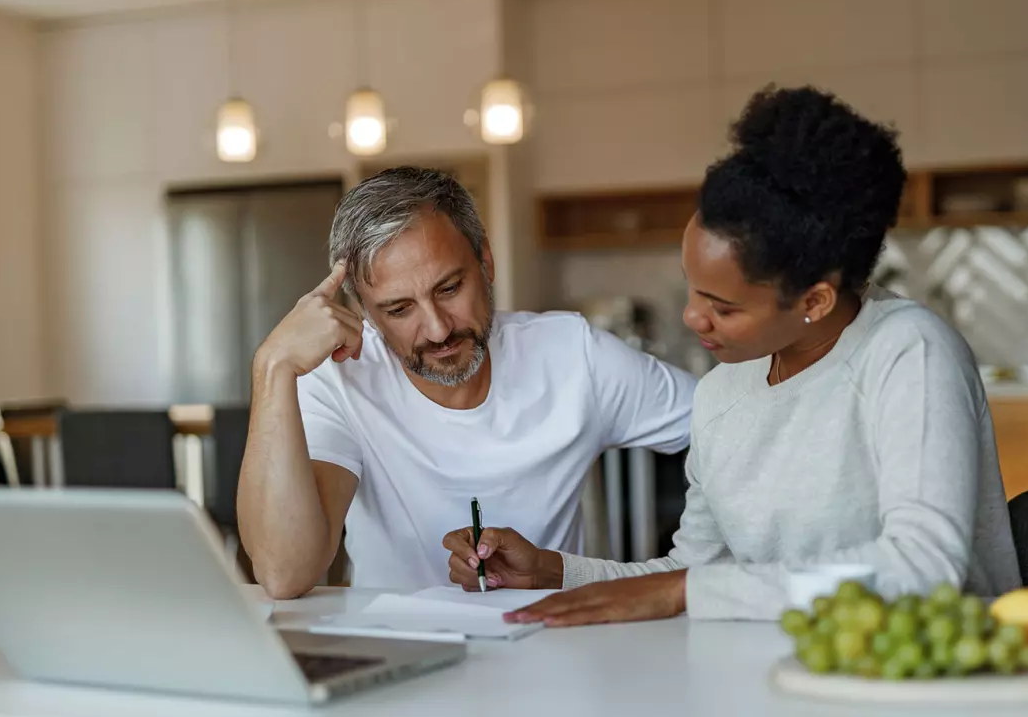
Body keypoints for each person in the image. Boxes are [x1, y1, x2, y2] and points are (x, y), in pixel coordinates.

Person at [443, 86, 1022, 625]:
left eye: (723, 305)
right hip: (782, 675)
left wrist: (686, 591)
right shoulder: (724, 392)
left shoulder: (907, 352)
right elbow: (695, 573)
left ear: (814, 299)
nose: (695, 318)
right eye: (692, 289)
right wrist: (553, 571)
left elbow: (923, 567)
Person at [238, 166, 696, 598]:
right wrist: (272, 365)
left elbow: (731, 421)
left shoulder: (574, 356)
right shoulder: (341, 379)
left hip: (552, 653)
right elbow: (284, 573)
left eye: (450, 289)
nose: (437, 329)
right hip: (400, 660)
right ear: (364, 313)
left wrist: (713, 548)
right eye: (400, 310)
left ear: (486, 262)